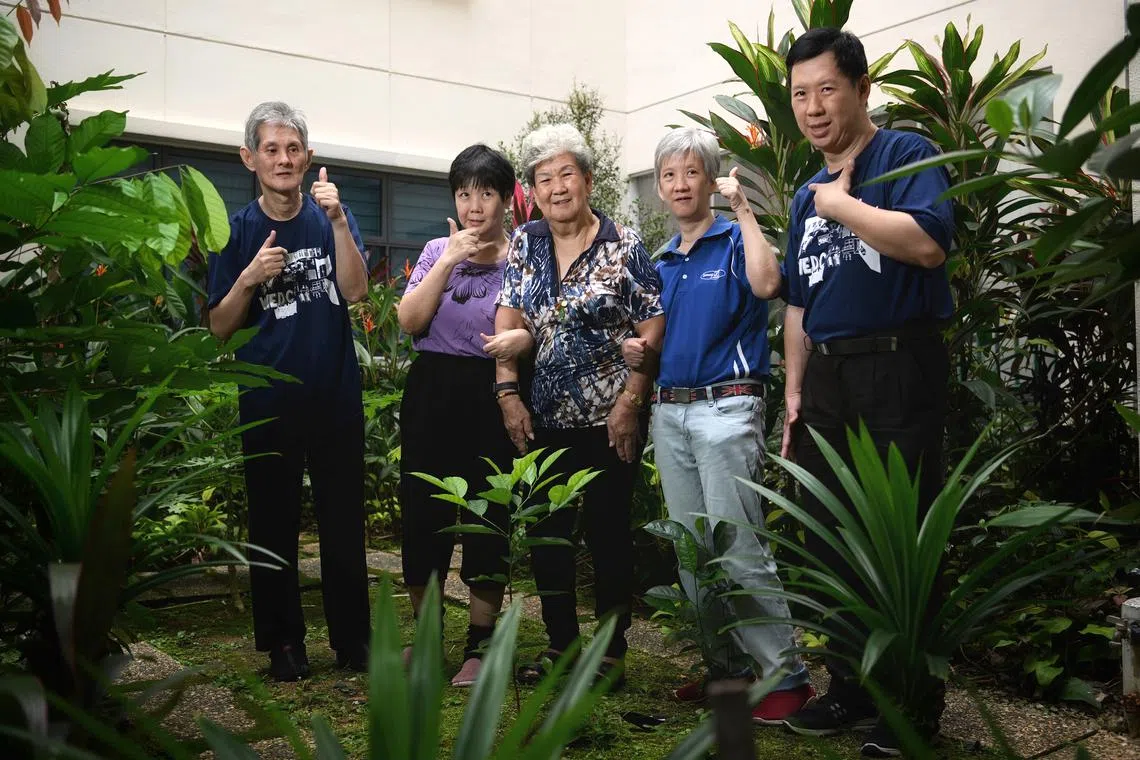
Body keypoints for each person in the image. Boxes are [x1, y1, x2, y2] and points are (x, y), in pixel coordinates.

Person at [776, 29, 955, 757]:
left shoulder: (904, 155)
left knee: (904, 535)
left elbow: (927, 243)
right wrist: (792, 392)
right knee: (830, 538)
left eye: (826, 89)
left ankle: (910, 704)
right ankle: (850, 686)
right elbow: (796, 303)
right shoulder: (802, 194)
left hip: (896, 365)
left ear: (860, 87)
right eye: (799, 95)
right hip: (825, 376)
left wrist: (837, 206)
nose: (813, 108)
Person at [622, 127, 814, 723]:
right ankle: (726, 671)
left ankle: (786, 676)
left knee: (738, 543)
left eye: (691, 172)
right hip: (670, 410)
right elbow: (655, 341)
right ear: (659, 188)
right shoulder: (658, 262)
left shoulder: (734, 240)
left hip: (727, 407)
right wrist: (637, 356)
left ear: (710, 179)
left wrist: (745, 211)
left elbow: (767, 285)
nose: (680, 184)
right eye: (669, 175)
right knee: (690, 548)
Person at [493, 123, 664, 687]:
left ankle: (611, 655)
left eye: (567, 174)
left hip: (607, 419)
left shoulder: (625, 246)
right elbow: (509, 319)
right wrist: (508, 392)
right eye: (545, 179)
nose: (557, 187)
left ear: (589, 180)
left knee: (610, 535)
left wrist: (631, 403)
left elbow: (652, 326)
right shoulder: (525, 243)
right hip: (543, 420)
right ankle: (563, 648)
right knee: (549, 535)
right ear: (534, 191)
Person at [208, 101, 372, 681]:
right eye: (272, 149)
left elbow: (355, 293)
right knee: (272, 523)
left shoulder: (331, 216)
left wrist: (337, 224)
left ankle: (354, 641)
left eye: (293, 149)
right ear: (249, 158)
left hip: (333, 397)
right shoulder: (236, 230)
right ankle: (283, 644)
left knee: (343, 522)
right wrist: (249, 278)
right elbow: (220, 328)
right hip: (268, 404)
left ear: (308, 157)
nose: (284, 159)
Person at [395, 144, 533, 687]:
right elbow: (409, 320)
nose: (475, 205)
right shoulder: (436, 249)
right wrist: (450, 258)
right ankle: (426, 638)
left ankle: (481, 643)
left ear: (506, 198)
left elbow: (535, 326)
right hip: (431, 389)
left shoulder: (525, 253)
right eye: (464, 192)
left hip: (492, 390)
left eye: (487, 192)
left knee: (486, 514)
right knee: (422, 510)